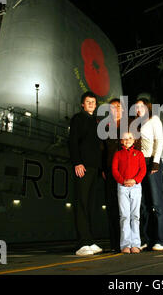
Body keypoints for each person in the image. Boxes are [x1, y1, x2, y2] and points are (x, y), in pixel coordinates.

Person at [69, 91, 104, 256]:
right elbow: (73, 141)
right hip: (83, 166)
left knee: (91, 205)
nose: (91, 103)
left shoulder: (96, 122)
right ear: (82, 104)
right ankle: (82, 243)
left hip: (94, 168)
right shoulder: (78, 118)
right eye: (88, 101)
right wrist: (77, 162)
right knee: (81, 203)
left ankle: (90, 240)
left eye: (93, 101)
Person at [135, 98, 163, 251]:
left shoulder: (154, 119)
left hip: (152, 163)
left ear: (148, 107)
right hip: (140, 164)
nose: (138, 108)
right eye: (136, 107)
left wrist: (155, 162)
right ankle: (147, 240)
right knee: (144, 205)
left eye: (141, 106)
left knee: (157, 204)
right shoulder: (137, 123)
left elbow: (159, 141)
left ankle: (161, 241)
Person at [111, 131, 147, 254]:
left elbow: (143, 170)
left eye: (130, 138)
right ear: (121, 141)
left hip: (136, 187)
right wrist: (123, 181)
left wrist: (135, 180)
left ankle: (136, 244)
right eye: (125, 138)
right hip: (122, 187)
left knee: (135, 216)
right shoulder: (118, 154)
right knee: (124, 216)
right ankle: (125, 245)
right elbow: (114, 170)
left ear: (134, 140)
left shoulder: (139, 154)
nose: (127, 140)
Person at [102, 98, 124, 252]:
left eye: (118, 106)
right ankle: (115, 243)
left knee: (128, 207)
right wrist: (103, 168)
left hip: (126, 170)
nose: (115, 109)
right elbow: (102, 149)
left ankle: (131, 241)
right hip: (110, 170)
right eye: (112, 107)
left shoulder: (129, 125)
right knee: (112, 207)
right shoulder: (105, 127)